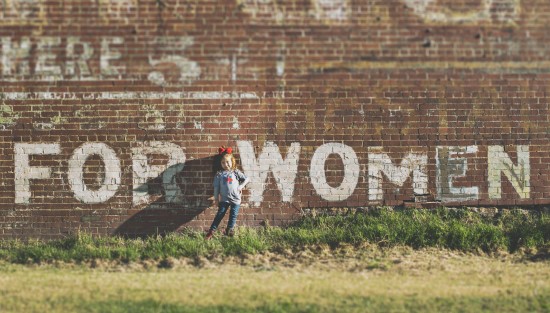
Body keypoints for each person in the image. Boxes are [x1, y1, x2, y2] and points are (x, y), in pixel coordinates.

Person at [205, 147, 250, 239]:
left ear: (232, 161)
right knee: (220, 214)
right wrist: (216, 198)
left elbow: (247, 179)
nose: (225, 164)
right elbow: (216, 187)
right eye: (223, 162)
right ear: (220, 164)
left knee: (233, 215)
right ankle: (211, 231)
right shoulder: (219, 174)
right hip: (224, 199)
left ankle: (229, 231)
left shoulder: (236, 172)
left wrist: (241, 186)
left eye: (227, 162)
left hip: (236, 198)